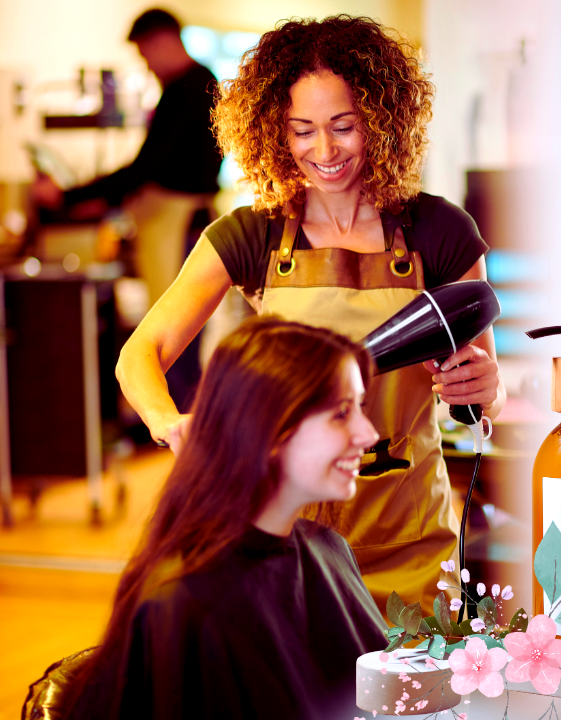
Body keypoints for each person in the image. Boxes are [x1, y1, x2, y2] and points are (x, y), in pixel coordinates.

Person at [116, 15, 505, 612]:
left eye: (344, 126)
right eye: (302, 131)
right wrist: (170, 422)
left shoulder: (440, 230)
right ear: (276, 133)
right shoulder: (252, 235)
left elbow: (486, 393)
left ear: (381, 119)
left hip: (411, 543)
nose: (324, 152)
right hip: (287, 548)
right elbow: (140, 353)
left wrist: (483, 387)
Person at [66, 317, 386, 719]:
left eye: (360, 407)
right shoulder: (184, 605)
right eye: (341, 413)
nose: (368, 434)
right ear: (270, 428)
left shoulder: (330, 550)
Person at [32, 8, 221, 411]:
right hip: (185, 225)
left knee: (175, 339)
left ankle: (182, 430)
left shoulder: (188, 88)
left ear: (162, 40)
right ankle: (185, 427)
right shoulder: (197, 84)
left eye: (145, 54)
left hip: (181, 229)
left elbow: (144, 169)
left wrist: (67, 197)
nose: (147, 65)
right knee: (181, 339)